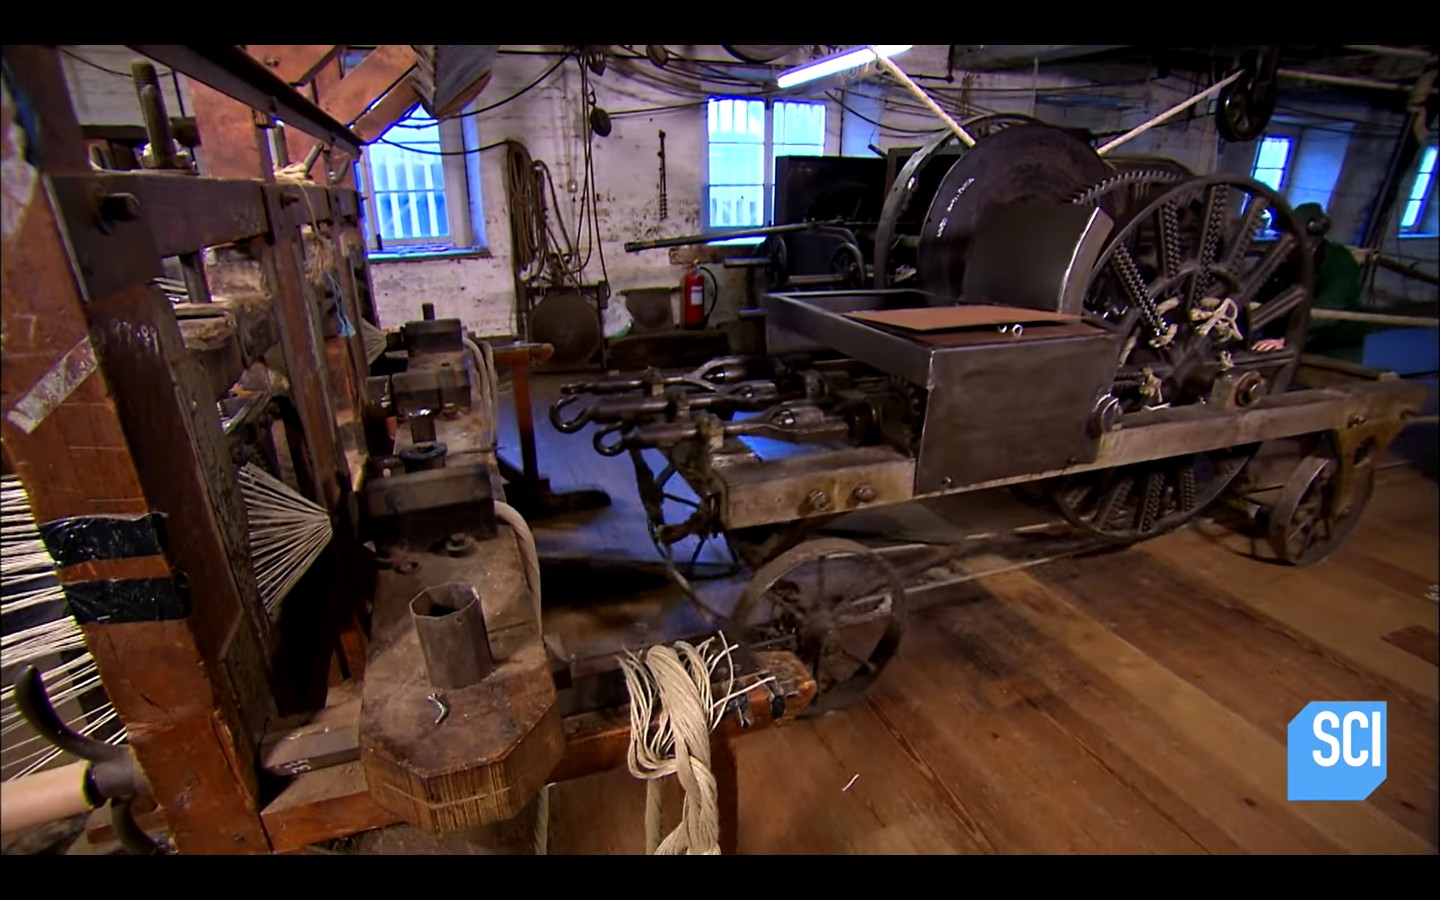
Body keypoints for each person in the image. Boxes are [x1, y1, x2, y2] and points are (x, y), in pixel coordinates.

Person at [1251, 202, 1369, 359]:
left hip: (1333, 347)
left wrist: (1287, 340)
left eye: (1295, 240)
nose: (1289, 246)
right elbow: (1259, 292)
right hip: (1287, 335)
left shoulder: (1340, 262)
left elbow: (1329, 309)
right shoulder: (1285, 259)